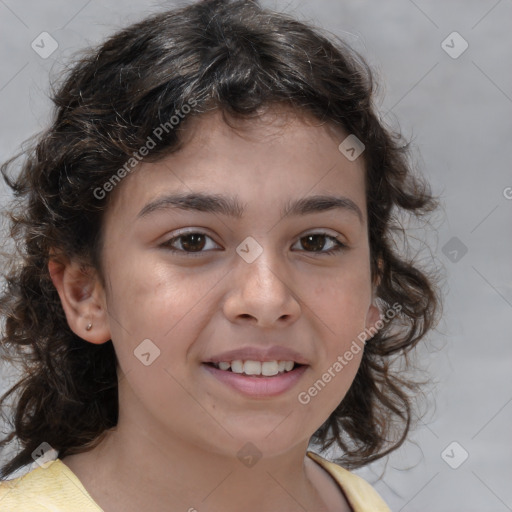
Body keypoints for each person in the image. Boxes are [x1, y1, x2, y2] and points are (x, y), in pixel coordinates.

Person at [0, 0, 440, 510]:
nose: (267, 298)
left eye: (316, 241)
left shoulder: (357, 500)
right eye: (192, 241)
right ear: (85, 293)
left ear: (372, 289)